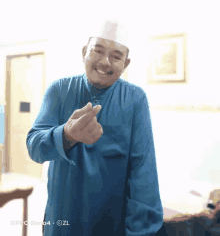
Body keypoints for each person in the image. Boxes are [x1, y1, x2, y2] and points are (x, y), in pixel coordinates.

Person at [26, 20, 164, 236]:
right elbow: (34, 148)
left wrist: (141, 231)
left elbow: (143, 173)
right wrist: (66, 135)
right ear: (84, 52)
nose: (105, 62)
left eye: (116, 56)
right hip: (62, 219)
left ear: (126, 64)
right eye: (97, 51)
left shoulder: (135, 99)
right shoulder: (59, 90)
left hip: (111, 223)